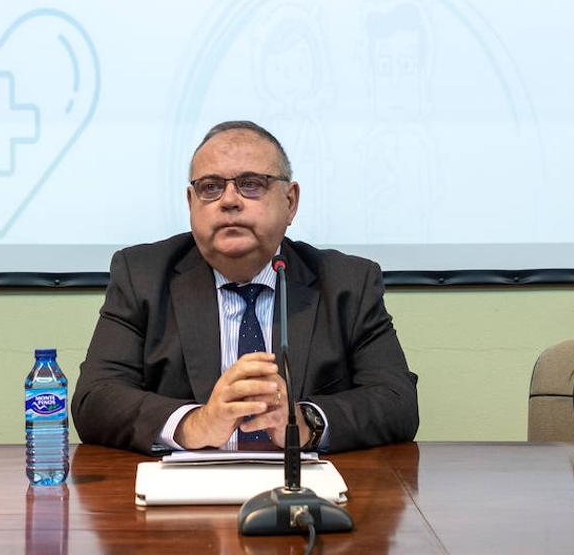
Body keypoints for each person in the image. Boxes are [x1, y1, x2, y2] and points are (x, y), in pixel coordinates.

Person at [71, 120, 418, 454]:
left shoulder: (347, 283)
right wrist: (194, 423)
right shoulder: (143, 276)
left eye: (251, 183)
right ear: (191, 204)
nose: (230, 200)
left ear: (290, 201)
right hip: (186, 497)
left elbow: (397, 401)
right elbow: (95, 399)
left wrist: (303, 420)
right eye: (211, 187)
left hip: (307, 496)